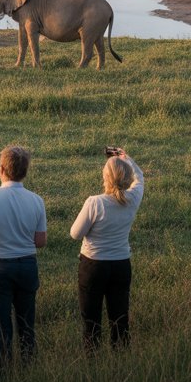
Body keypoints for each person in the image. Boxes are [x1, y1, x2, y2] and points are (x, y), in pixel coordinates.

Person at [0, 145, 48, 368]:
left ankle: (3, 370)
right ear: (25, 171)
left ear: (1, 169)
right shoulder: (36, 200)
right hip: (26, 264)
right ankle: (28, 366)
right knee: (26, 322)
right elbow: (40, 242)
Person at [70, 147, 144, 351]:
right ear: (127, 178)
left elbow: (75, 234)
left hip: (93, 266)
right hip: (121, 265)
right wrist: (125, 157)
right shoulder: (133, 199)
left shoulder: (95, 203)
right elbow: (140, 177)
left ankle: (93, 358)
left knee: (91, 319)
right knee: (120, 316)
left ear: (105, 177)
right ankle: (120, 354)